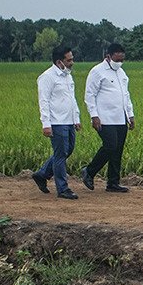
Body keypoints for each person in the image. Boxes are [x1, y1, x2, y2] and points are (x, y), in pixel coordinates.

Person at [81, 43, 135, 193]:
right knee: (110, 145)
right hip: (104, 118)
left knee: (117, 150)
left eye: (122, 60)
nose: (119, 63)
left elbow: (126, 95)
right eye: (117, 60)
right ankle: (89, 171)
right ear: (108, 57)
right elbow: (89, 95)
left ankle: (113, 182)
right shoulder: (97, 71)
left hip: (120, 117)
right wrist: (94, 116)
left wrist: (130, 115)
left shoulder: (122, 73)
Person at [32, 46, 81, 200]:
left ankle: (42, 174)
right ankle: (63, 188)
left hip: (68, 120)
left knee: (68, 150)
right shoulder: (47, 77)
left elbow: (71, 99)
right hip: (56, 122)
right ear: (60, 61)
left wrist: (76, 118)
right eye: (69, 60)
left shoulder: (67, 76)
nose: (72, 62)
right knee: (60, 154)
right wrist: (46, 124)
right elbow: (44, 101)